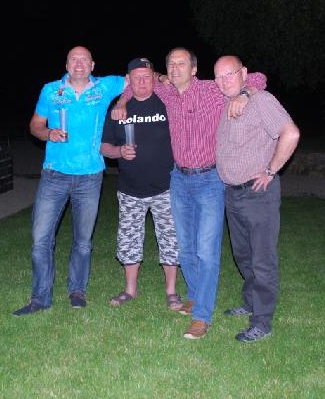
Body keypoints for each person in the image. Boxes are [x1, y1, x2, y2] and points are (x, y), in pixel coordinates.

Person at [113, 47, 266, 339]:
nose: (175, 68)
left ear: (194, 70)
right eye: (171, 64)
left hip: (209, 180)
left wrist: (245, 95)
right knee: (186, 248)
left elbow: (258, 77)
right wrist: (122, 100)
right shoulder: (167, 92)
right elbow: (137, 83)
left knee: (207, 251)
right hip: (179, 180)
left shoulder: (213, 90)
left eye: (181, 64)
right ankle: (195, 296)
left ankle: (202, 317)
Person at [13, 46, 126, 315]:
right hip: (54, 175)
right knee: (40, 240)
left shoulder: (105, 86)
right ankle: (40, 298)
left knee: (83, 241)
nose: (79, 64)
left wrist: (122, 102)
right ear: (66, 65)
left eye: (84, 59)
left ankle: (77, 290)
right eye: (74, 59)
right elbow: (35, 126)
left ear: (92, 65)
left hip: (90, 176)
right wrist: (48, 133)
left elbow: (140, 78)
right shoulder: (51, 90)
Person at [213, 55, 300, 343]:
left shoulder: (261, 100)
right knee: (243, 255)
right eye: (218, 76)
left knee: (262, 259)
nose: (223, 81)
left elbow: (291, 133)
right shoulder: (225, 102)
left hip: (258, 193)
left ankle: (262, 322)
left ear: (244, 73)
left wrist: (271, 170)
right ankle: (251, 302)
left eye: (230, 74)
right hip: (232, 193)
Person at [100, 57, 183, 311]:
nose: (143, 82)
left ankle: (171, 291)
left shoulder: (166, 102)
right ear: (129, 80)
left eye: (147, 77)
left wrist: (163, 77)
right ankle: (129, 290)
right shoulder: (118, 110)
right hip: (130, 189)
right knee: (129, 240)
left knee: (170, 239)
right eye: (137, 78)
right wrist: (118, 152)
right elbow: (104, 146)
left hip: (166, 187)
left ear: (153, 77)